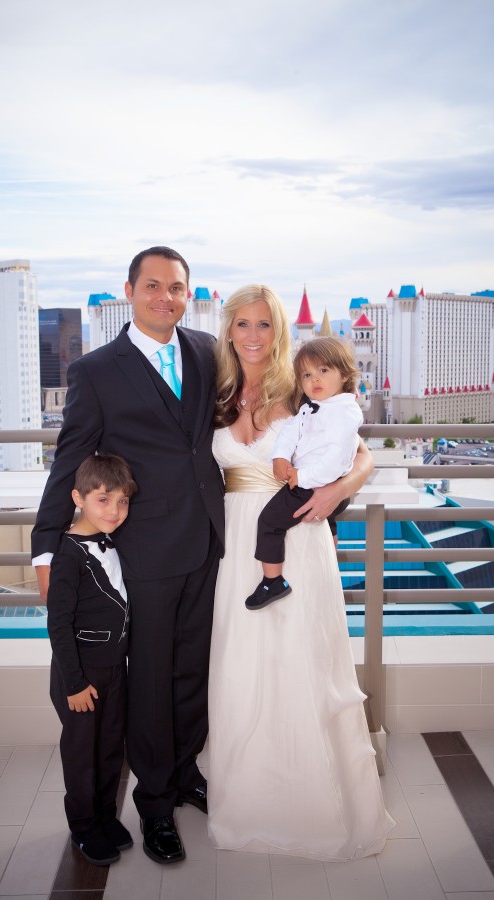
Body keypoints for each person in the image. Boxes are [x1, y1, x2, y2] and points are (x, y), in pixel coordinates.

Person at [32, 247, 225, 865]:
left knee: (192, 671)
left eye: (176, 287)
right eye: (152, 286)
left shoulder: (205, 349)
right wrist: (45, 547)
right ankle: (154, 803)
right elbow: (71, 461)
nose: (165, 297)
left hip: (207, 540)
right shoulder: (96, 371)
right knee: (150, 681)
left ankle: (185, 771)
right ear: (130, 291)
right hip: (143, 550)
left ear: (188, 293)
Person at [208, 285, 395, 860]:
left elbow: (361, 454)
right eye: (244, 323)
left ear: (280, 330)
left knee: (299, 659)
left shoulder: (302, 387)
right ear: (229, 329)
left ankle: (314, 805)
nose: (254, 335)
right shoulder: (212, 393)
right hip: (233, 543)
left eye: (265, 324)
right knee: (241, 661)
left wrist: (338, 490)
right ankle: (248, 799)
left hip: (298, 536)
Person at [47, 454, 136, 866]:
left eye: (122, 501)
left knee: (109, 747)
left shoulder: (114, 541)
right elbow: (59, 624)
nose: (114, 511)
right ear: (77, 498)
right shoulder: (67, 555)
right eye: (103, 500)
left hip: (114, 668)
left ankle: (104, 815)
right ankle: (83, 826)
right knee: (83, 753)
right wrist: (74, 683)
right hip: (81, 674)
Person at [246, 336, 363, 610]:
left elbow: (336, 459)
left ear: (344, 375)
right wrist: (280, 456)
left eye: (323, 370)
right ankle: (328, 562)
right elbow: (290, 431)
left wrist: (303, 477)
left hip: (315, 484)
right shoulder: (313, 407)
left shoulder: (344, 412)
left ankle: (272, 581)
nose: (315, 379)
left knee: (269, 522)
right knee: (328, 523)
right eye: (307, 375)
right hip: (314, 481)